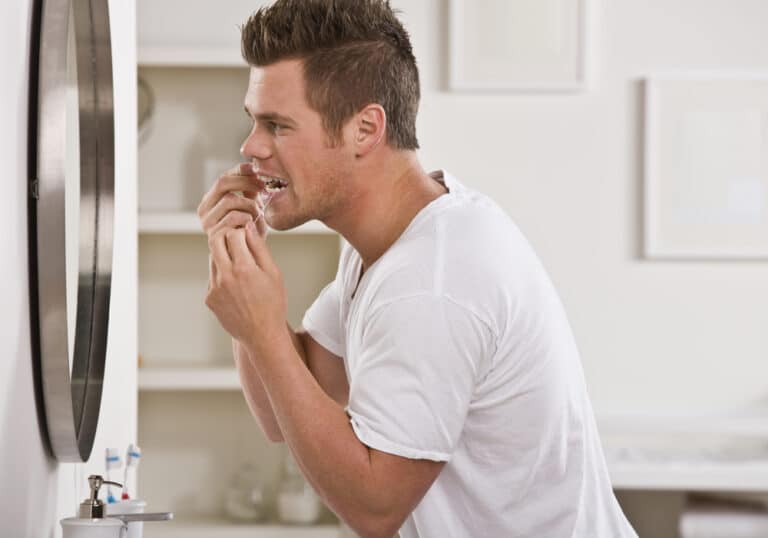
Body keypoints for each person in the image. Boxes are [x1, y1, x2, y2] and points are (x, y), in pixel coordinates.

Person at [197, 1, 637, 536]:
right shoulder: (387, 240)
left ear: (365, 129)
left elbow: (374, 509)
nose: (250, 147)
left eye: (277, 125)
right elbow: (280, 410)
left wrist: (262, 327)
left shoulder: (432, 279)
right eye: (254, 122)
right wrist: (241, 263)